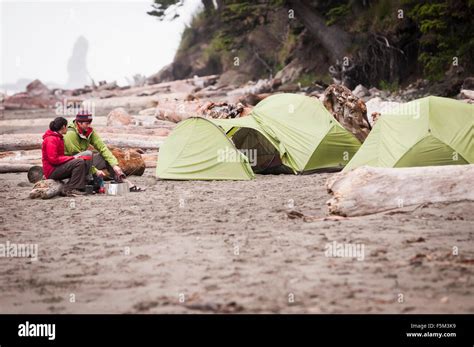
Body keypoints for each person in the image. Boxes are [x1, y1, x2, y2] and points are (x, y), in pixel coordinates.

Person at [64, 111, 144, 191]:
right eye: (86, 123)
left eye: (90, 123)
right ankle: (83, 182)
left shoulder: (89, 130)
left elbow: (102, 148)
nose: (89, 125)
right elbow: (78, 157)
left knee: (105, 156)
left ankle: (123, 181)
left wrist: (114, 165)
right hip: (72, 164)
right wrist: (95, 171)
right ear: (79, 123)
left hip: (85, 160)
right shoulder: (71, 134)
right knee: (87, 155)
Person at [42, 117, 89, 196]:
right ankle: (72, 189)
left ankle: (70, 187)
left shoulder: (58, 137)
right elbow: (53, 159)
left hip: (56, 167)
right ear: (63, 127)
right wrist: (72, 158)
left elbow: (59, 158)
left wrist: (72, 158)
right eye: (66, 126)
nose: (67, 128)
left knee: (82, 159)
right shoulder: (51, 139)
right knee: (79, 162)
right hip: (51, 171)